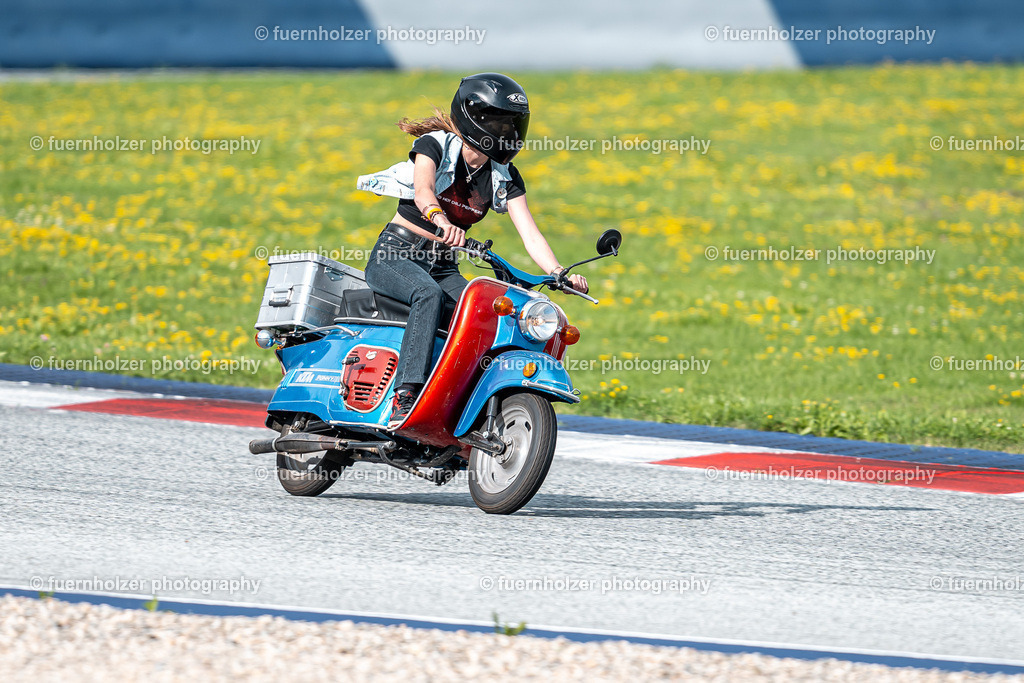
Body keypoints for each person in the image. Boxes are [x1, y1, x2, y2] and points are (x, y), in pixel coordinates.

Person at [356, 72, 588, 426]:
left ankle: (460, 402)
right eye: (498, 122)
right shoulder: (434, 145)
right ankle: (405, 395)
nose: (507, 132)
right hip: (397, 254)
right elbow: (423, 193)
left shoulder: (504, 175)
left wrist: (559, 273)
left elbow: (530, 233)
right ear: (474, 119)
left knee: (485, 314)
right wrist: (441, 220)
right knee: (428, 296)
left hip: (443, 265)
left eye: (513, 124)